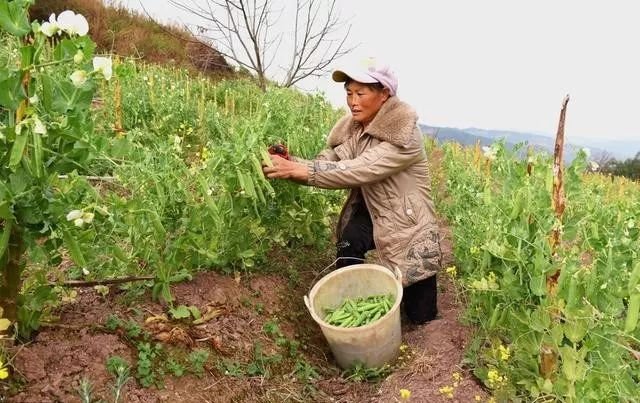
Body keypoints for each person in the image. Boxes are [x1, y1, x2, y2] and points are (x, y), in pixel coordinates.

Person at [262, 58, 442, 324]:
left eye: (361, 93)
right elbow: (330, 162)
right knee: (348, 244)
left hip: (407, 221)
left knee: (421, 316)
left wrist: (299, 171)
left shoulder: (405, 135)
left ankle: (419, 327)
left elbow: (359, 169)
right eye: (349, 93)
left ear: (384, 94)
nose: (353, 101)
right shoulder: (353, 130)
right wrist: (291, 162)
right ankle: (357, 313)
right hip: (369, 209)